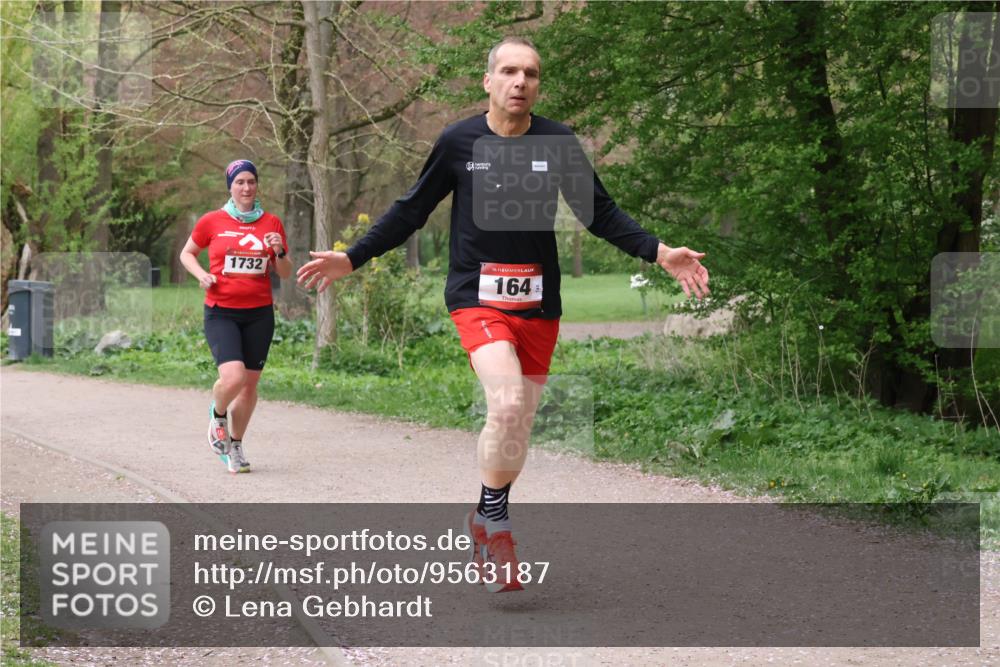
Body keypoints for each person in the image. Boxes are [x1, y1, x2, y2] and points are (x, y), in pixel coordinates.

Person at [297, 37, 709, 591]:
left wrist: (660, 252)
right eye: (510, 71)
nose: (521, 82)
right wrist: (353, 256)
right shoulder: (458, 142)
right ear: (487, 81)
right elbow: (411, 210)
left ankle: (484, 512)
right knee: (508, 399)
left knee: (516, 427)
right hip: (477, 296)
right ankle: (497, 525)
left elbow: (600, 214)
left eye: (531, 74)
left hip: (539, 304)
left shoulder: (558, 142)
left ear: (538, 85)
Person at [180, 159, 292, 474]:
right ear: (230, 185)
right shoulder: (212, 221)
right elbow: (186, 253)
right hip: (221, 312)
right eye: (240, 182)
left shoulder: (271, 223)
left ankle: (235, 446)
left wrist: (280, 251)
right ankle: (217, 415)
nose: (246, 187)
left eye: (251, 182)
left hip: (259, 314)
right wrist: (202, 274)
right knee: (234, 377)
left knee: (249, 387)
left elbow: (284, 272)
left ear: (257, 186)